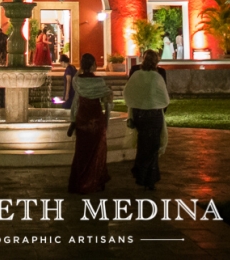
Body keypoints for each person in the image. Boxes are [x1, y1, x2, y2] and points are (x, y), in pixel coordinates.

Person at [122, 48, 170, 190]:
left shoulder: (137, 74)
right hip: (154, 115)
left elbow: (129, 92)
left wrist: (135, 108)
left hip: (140, 114)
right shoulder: (158, 75)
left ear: (143, 59)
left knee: (144, 144)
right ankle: (146, 175)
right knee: (153, 147)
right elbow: (164, 95)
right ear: (156, 61)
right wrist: (160, 107)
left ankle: (144, 175)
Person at [67, 53, 112, 193]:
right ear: (93, 65)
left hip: (82, 118)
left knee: (81, 152)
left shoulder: (77, 81)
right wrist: (107, 119)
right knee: (98, 151)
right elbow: (107, 103)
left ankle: (79, 181)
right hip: (96, 119)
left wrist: (73, 120)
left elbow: (75, 102)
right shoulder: (99, 82)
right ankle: (95, 180)